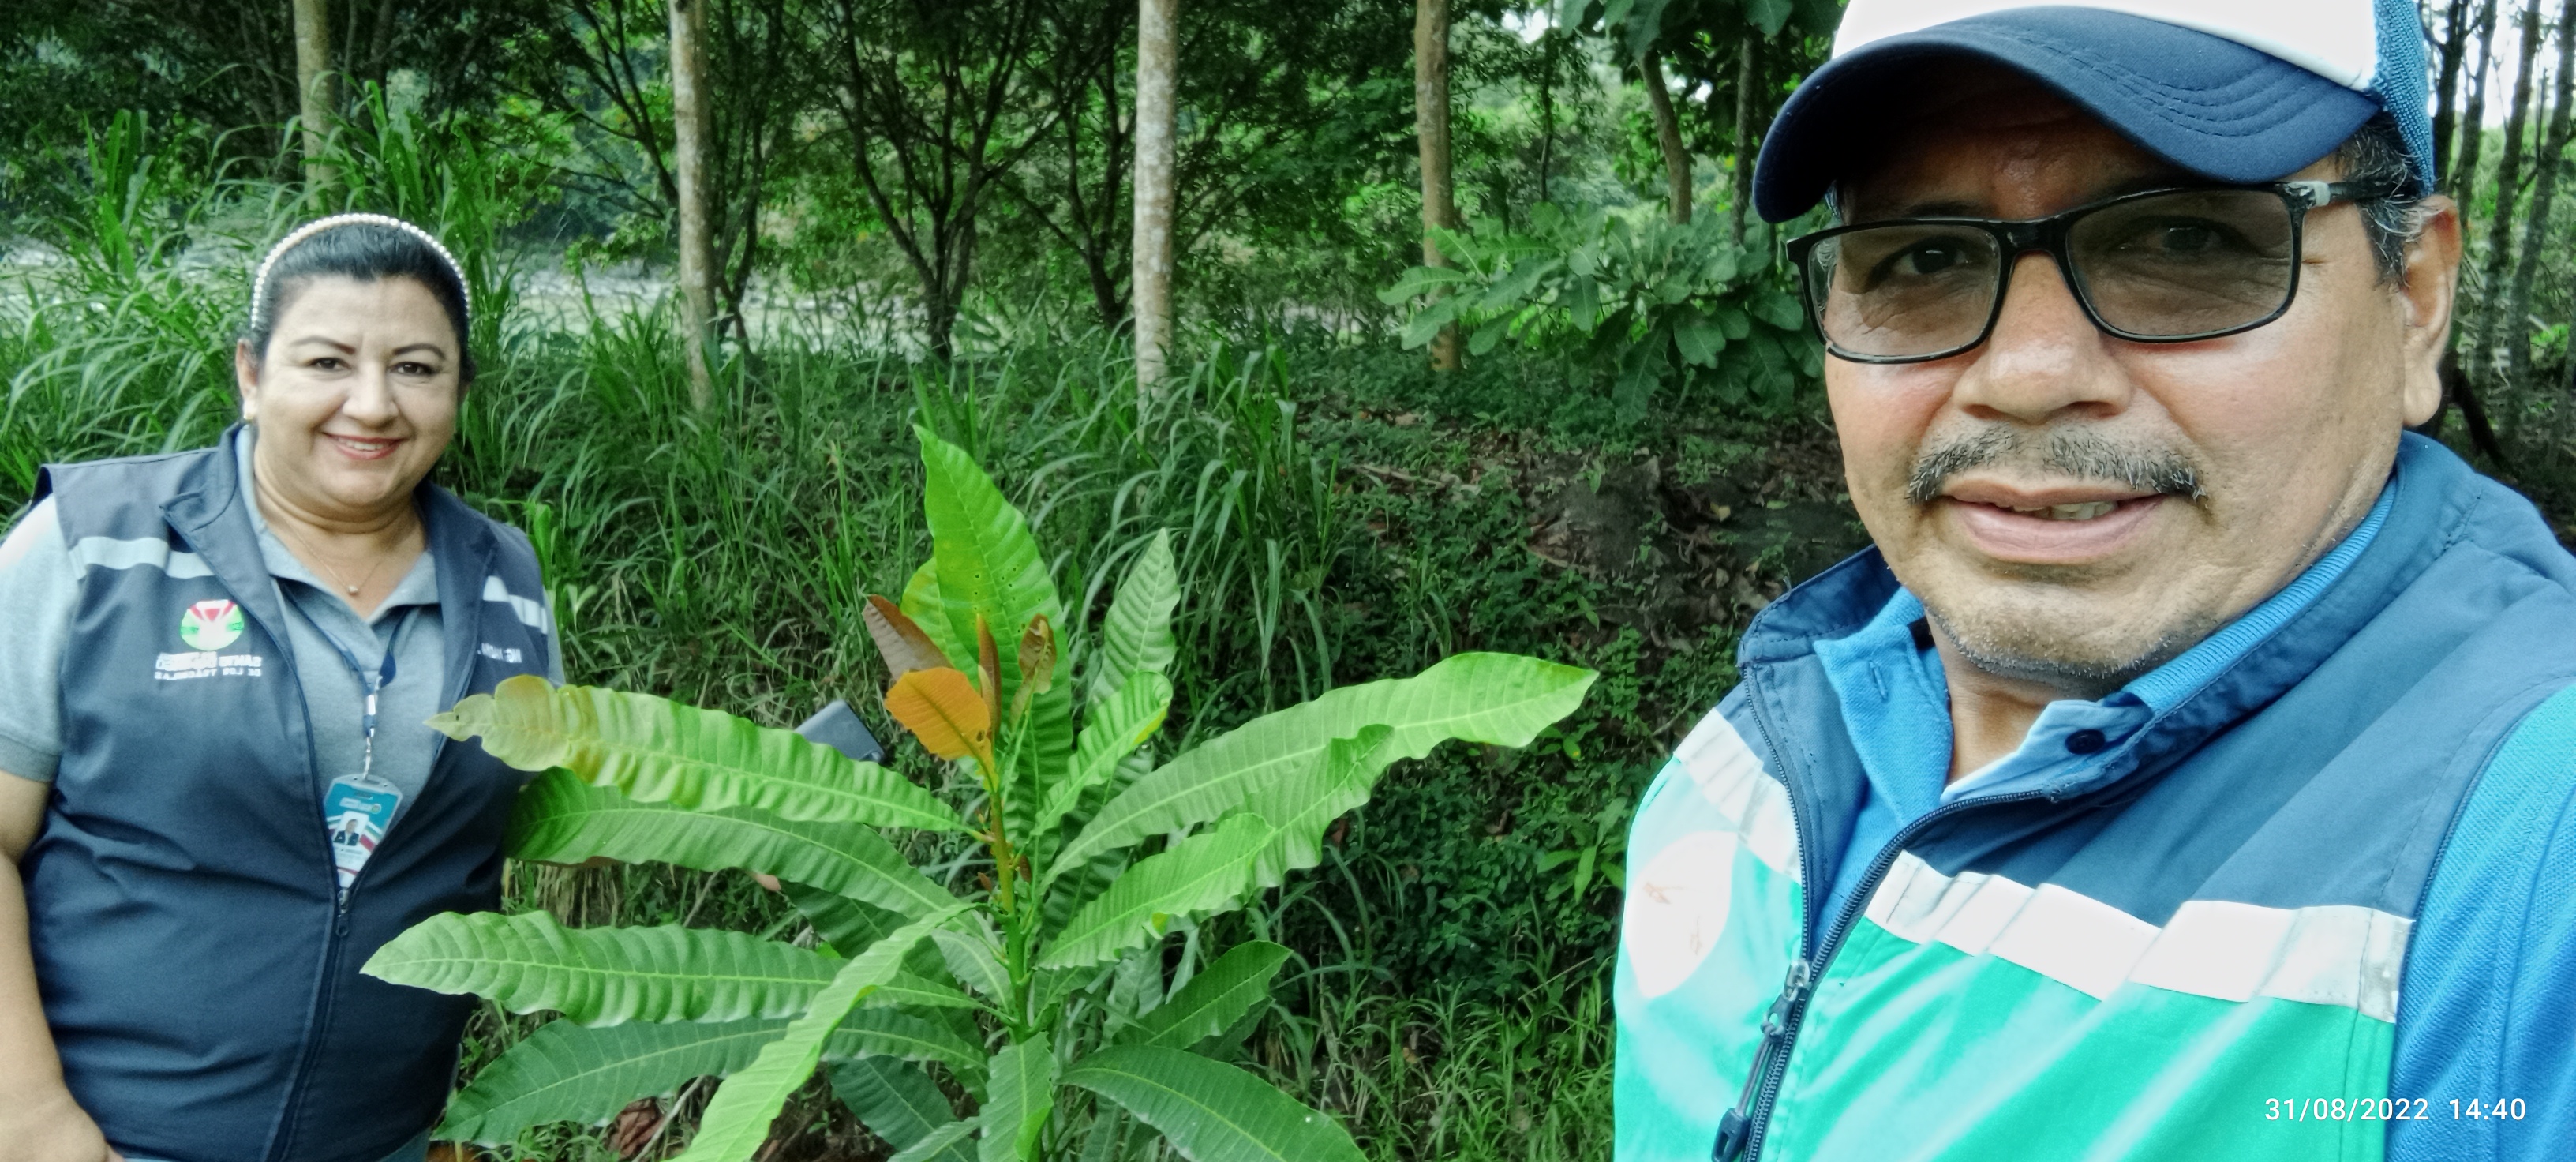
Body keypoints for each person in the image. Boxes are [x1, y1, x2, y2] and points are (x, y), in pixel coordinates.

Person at [1614, 3, 2574, 1160]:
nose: (2026, 376)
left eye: (2183, 242)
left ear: (2414, 299)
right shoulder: (1784, 718)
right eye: (1924, 257)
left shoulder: (2535, 844)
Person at [0, 215, 561, 1162]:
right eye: (327, 361)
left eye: (416, 367)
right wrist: (29, 1117)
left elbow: (551, 806)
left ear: (459, 390)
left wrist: (750, 814)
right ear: (252, 375)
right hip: (106, 1139)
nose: (372, 404)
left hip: (382, 1137)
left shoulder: (504, 575)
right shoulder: (95, 543)